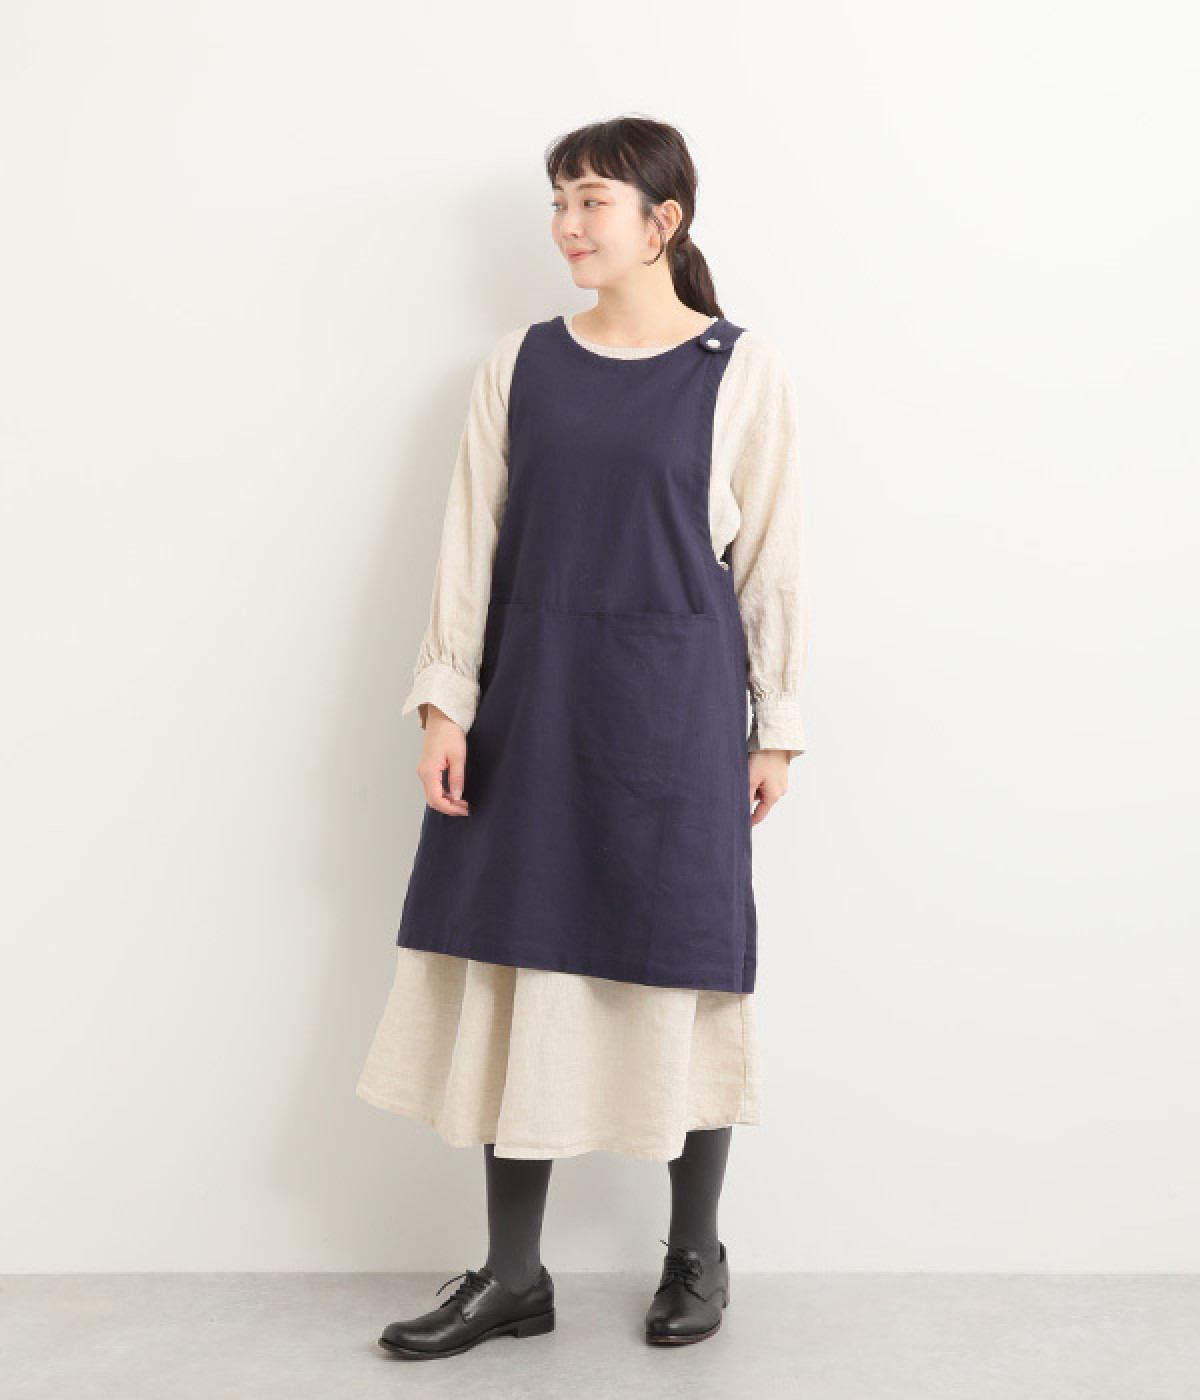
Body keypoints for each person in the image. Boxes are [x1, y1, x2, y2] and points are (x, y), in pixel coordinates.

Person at [356, 114, 809, 1359]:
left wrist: (777, 726)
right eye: (557, 200)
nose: (565, 224)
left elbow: (771, 563)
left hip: (677, 715)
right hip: (537, 701)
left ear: (664, 221)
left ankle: (695, 1251)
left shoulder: (739, 368)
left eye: (590, 200)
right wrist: (445, 702)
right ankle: (513, 1274)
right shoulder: (520, 363)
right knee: (526, 963)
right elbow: (469, 543)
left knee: (688, 962)